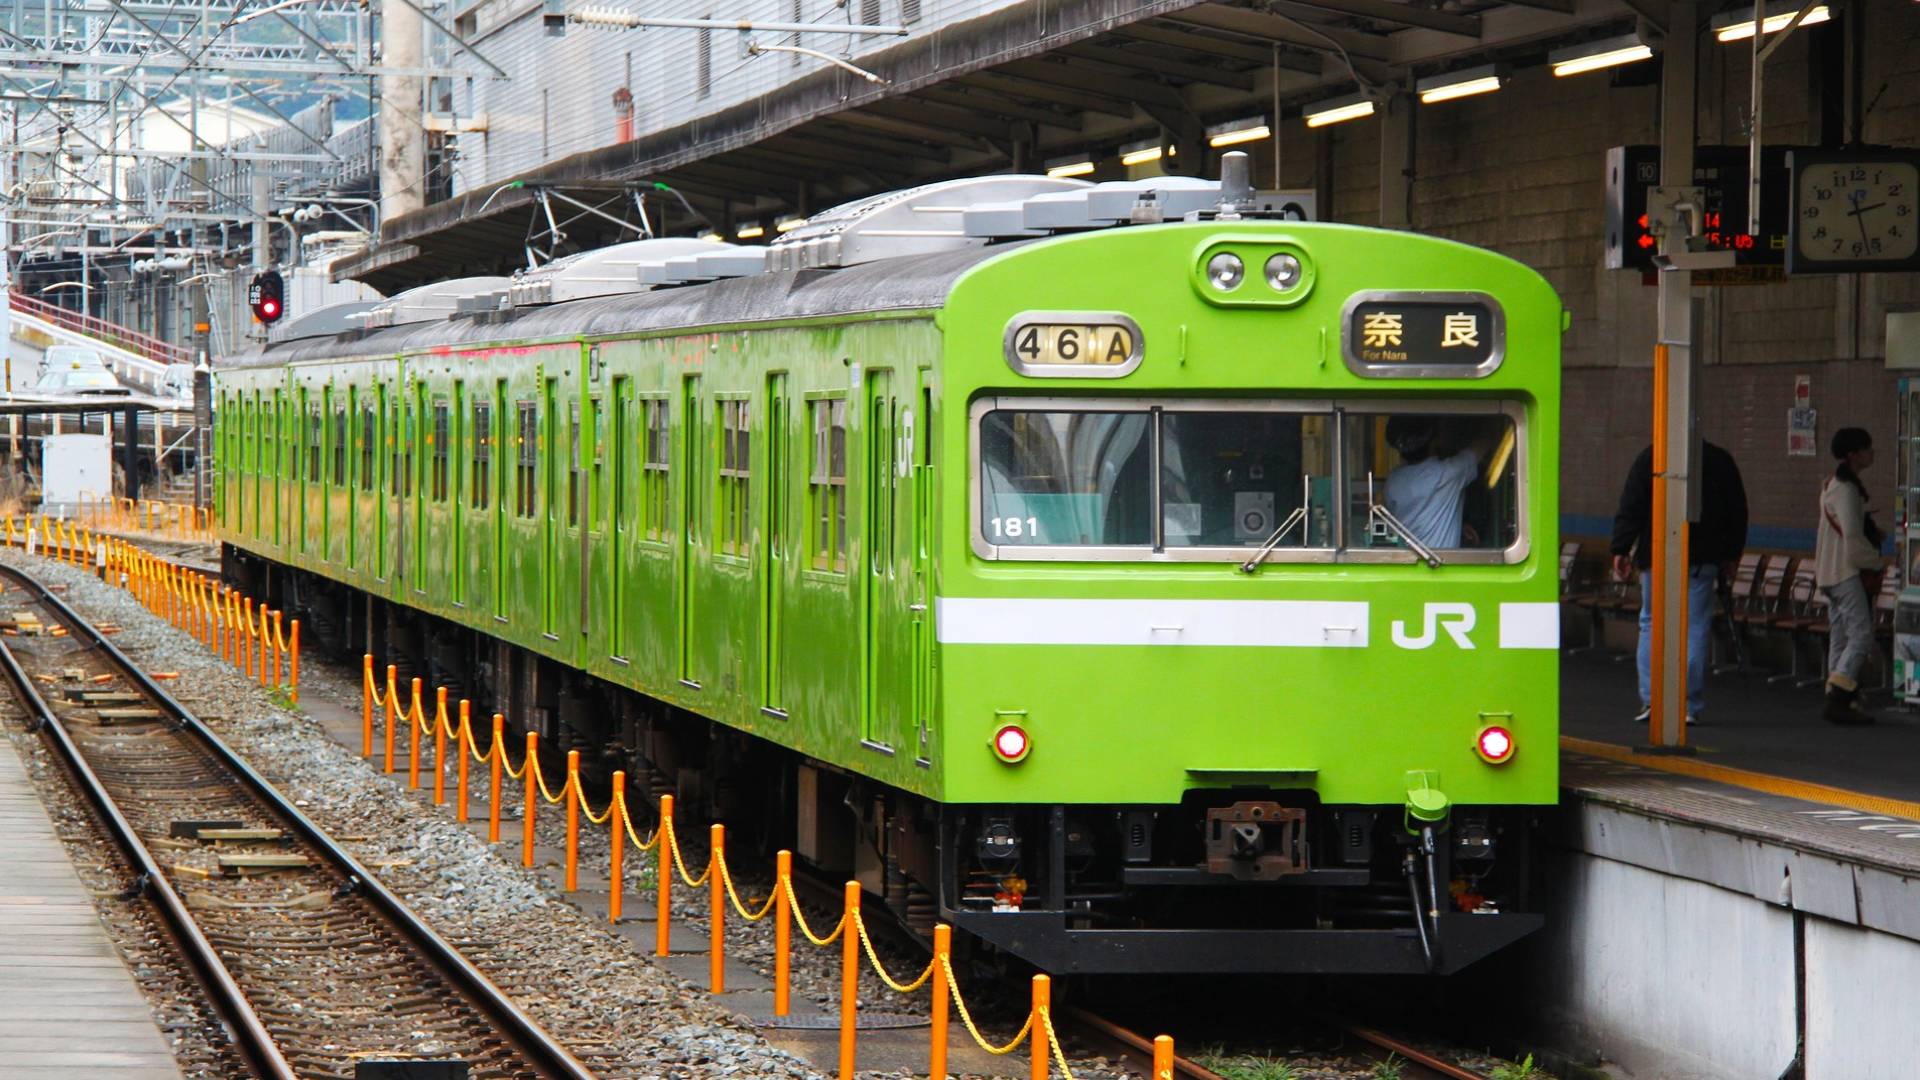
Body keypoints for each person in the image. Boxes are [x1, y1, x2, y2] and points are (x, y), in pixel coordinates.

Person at [1609, 439, 1749, 725]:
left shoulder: (1652, 456)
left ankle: (1652, 700)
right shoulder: (1718, 458)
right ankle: (1687, 704)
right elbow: (1737, 510)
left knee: (1651, 623)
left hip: (1657, 556)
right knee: (1694, 627)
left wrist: (1621, 548)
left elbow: (1632, 504)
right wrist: (1731, 554)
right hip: (1702, 557)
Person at [1815, 427, 1885, 725]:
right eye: (1867, 448)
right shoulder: (1846, 490)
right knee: (1861, 635)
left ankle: (1837, 692)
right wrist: (1877, 560)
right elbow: (1852, 537)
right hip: (1845, 572)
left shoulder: (1831, 484)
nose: (1872, 453)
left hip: (1827, 572)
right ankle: (1839, 698)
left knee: (1840, 636)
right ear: (1853, 455)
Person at [1382, 416, 1483, 549]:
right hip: (1439, 564)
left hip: (1406, 564)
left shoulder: (1393, 480)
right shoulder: (1447, 472)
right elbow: (1484, 444)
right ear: (1434, 441)